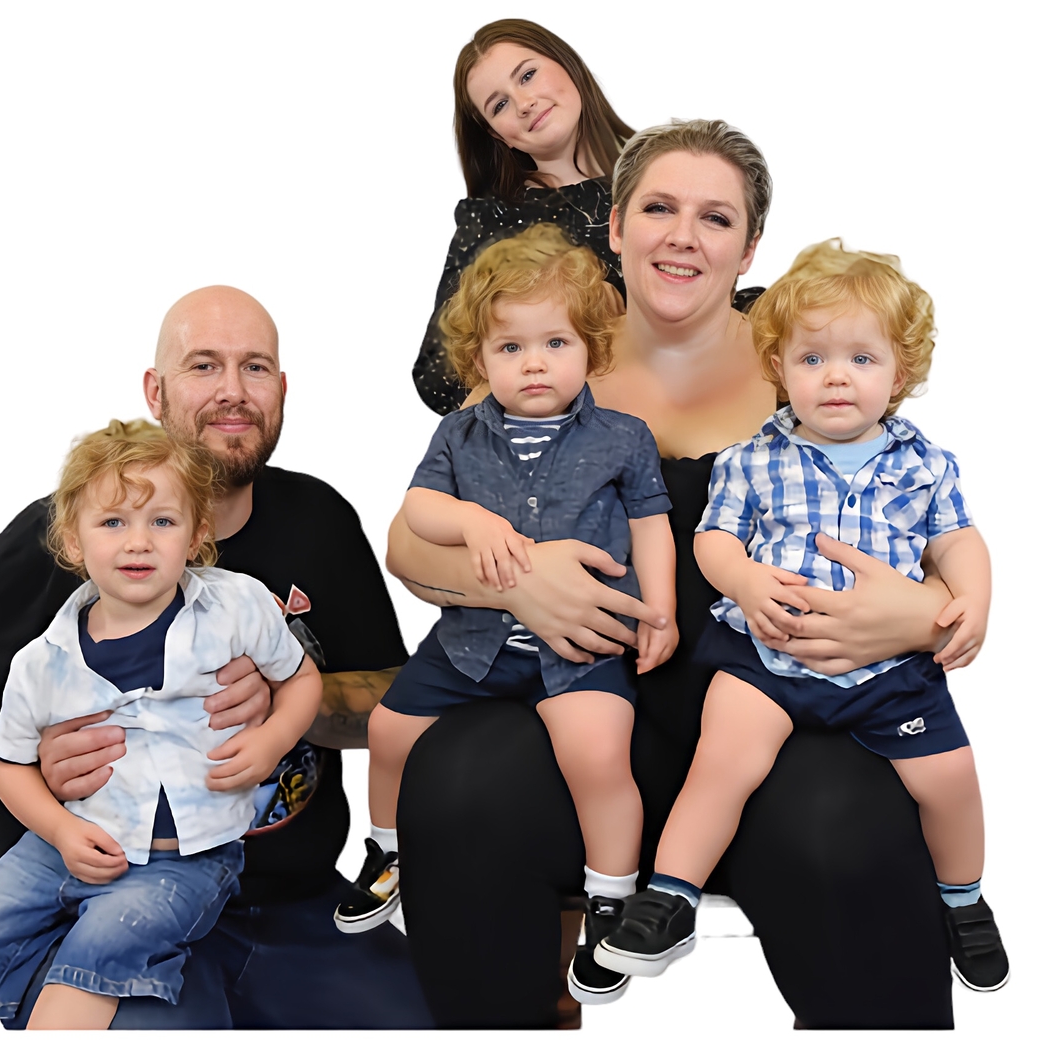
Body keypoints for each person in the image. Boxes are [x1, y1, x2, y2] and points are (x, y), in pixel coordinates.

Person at [390, 121, 966, 1028]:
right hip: (577, 712)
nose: (683, 236)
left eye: (716, 217)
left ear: (749, 247)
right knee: (456, 782)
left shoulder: (806, 362)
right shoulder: (542, 350)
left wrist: (922, 616)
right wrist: (514, 581)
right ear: (616, 226)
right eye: (659, 208)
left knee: (845, 826)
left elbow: (936, 540)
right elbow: (410, 543)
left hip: (773, 723)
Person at [0, 286, 433, 1029]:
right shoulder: (69, 537)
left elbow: (398, 695)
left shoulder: (320, 520)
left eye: (254, 367)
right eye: (203, 366)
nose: (232, 390)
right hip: (96, 885)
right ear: (155, 391)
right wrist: (29, 771)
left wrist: (286, 705)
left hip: (289, 901)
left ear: (282, 389)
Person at [595, 241, 1009, 994]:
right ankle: (671, 897)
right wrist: (745, 579)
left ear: (900, 374)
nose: (836, 376)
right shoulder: (752, 459)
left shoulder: (924, 464)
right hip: (768, 656)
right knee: (721, 761)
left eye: (862, 358)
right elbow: (714, 538)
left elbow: (957, 541)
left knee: (950, 777)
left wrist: (972, 600)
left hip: (889, 671)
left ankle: (964, 900)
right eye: (813, 359)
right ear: (779, 370)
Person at [334, 225, 676, 1006]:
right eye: (510, 347)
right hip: (473, 642)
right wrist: (472, 522)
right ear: (478, 357)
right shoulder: (458, 433)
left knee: (598, 753)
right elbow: (420, 510)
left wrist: (659, 609)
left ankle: (611, 895)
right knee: (388, 730)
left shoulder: (623, 438)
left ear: (590, 348)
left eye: (556, 342)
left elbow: (652, 521)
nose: (534, 363)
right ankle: (386, 851)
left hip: (581, 647)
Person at [0, 423, 324, 1029]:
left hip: (181, 861)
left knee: (100, 950)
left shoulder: (237, 608)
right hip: (55, 848)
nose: (139, 542)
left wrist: (272, 739)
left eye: (162, 521)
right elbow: (9, 764)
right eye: (112, 522)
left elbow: (301, 679)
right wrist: (59, 830)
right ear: (73, 541)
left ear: (197, 534)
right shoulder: (42, 662)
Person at [413, 18, 634, 416]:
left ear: (567, 62)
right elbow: (437, 378)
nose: (524, 103)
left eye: (528, 75)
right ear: (497, 134)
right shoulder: (493, 221)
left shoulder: (667, 169)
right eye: (499, 105)